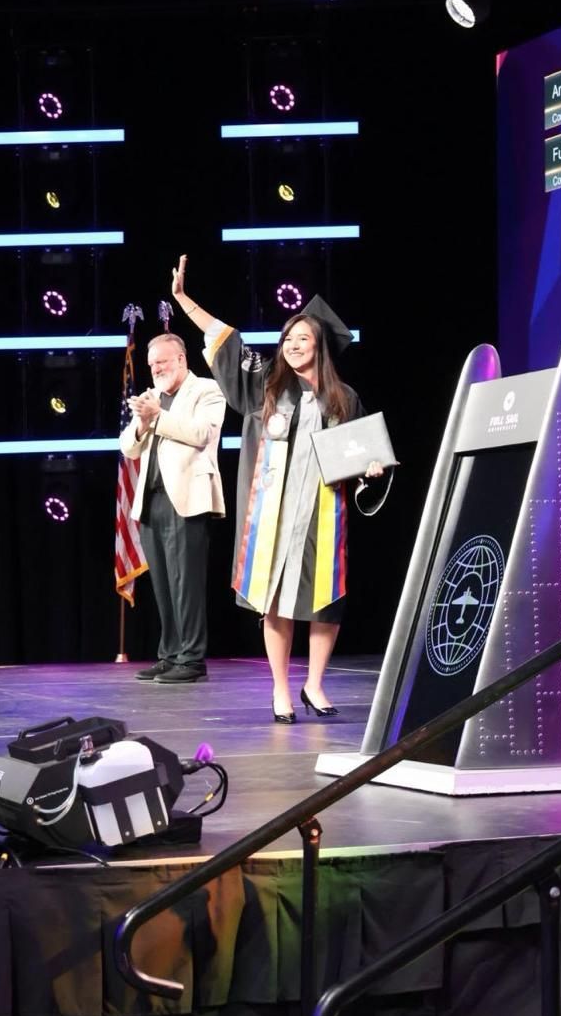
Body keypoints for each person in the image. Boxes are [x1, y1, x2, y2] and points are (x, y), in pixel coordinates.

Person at [170, 254, 385, 723]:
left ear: (321, 346)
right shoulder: (264, 385)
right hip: (272, 518)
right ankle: (281, 690)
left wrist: (370, 469)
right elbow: (226, 340)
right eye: (288, 338)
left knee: (325, 603)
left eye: (303, 338)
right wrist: (185, 300)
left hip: (321, 516)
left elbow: (362, 454)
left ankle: (315, 684)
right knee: (274, 602)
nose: (292, 345)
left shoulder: (344, 399)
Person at [120, 331, 226, 683]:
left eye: (162, 361)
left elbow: (202, 434)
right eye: (152, 364)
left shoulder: (206, 390)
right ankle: (169, 655)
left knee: (186, 585)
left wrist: (158, 417)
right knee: (163, 585)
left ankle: (192, 659)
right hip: (152, 500)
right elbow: (128, 447)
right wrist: (143, 422)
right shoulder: (152, 397)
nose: (156, 369)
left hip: (187, 500)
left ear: (181, 359)